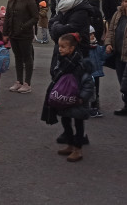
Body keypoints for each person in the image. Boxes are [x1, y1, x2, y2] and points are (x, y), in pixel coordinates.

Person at [40, 33, 94, 162]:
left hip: (77, 100)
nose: (60, 49)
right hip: (64, 99)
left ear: (72, 48)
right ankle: (70, 144)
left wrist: (82, 98)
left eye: (63, 47)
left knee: (78, 124)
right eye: (59, 46)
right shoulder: (63, 61)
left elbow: (88, 82)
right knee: (65, 122)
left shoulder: (80, 65)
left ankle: (78, 149)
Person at [3, 0, 39, 94]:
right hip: (13, 33)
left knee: (27, 57)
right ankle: (18, 81)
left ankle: (27, 83)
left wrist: (24, 26)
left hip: (25, 34)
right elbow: (7, 17)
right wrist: (5, 33)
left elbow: (35, 17)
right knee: (17, 57)